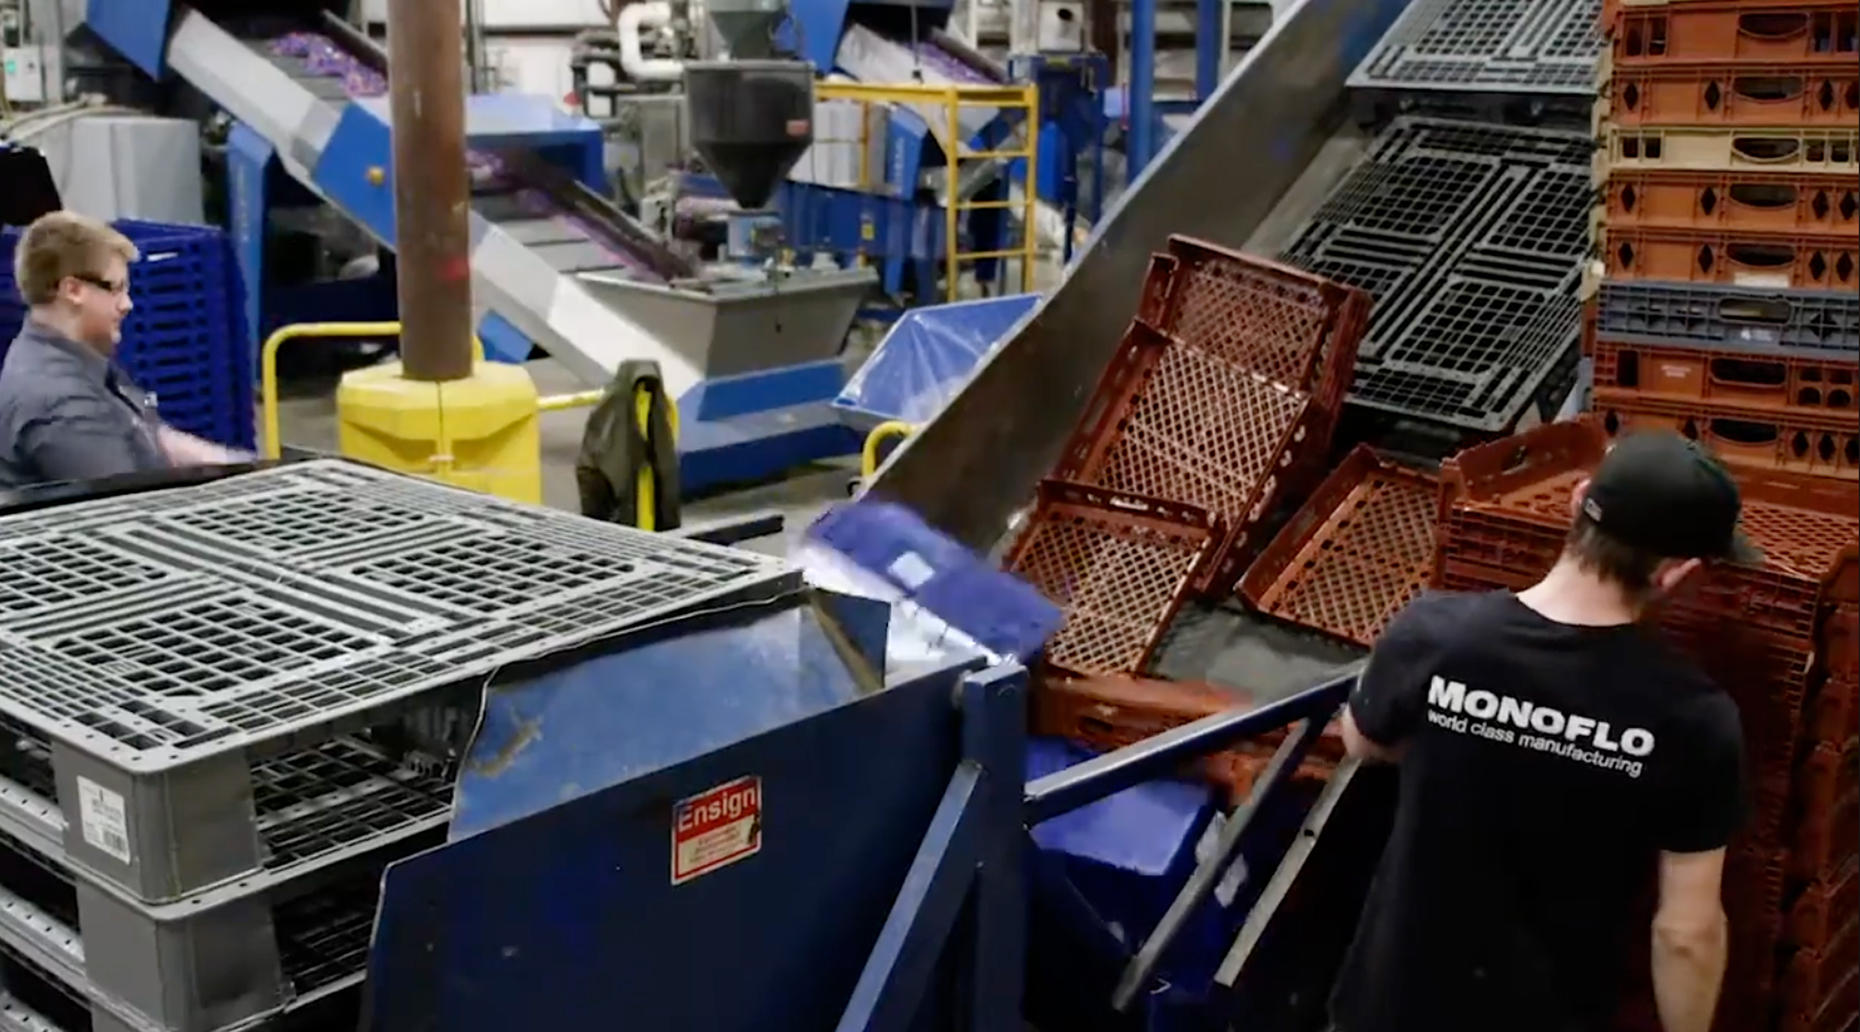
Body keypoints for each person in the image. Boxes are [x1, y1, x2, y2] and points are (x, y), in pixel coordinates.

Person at [1330, 431, 1756, 1032]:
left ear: (1577, 501)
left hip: (1390, 1008)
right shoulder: (1693, 717)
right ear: (1675, 573)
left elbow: (1362, 740)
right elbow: (1686, 933)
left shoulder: (1432, 634)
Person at [0, 211, 250, 489]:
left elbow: (152, 435)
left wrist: (246, 470)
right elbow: (129, 505)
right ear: (73, 290)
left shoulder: (75, 356)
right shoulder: (63, 406)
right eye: (116, 289)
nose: (127, 304)